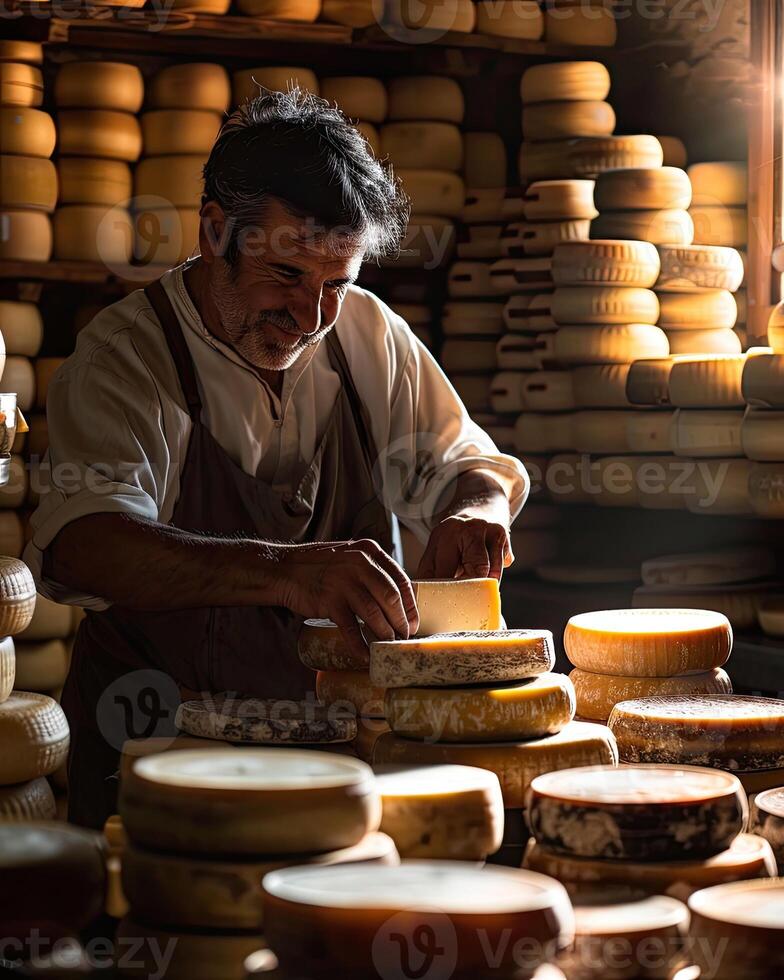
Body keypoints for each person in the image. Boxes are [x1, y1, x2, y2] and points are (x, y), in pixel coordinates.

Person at [24, 88, 528, 827]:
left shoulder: (363, 334)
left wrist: (476, 506)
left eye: (337, 284)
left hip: (339, 752)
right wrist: (285, 572)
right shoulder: (126, 357)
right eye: (287, 276)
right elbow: (85, 545)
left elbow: (462, 462)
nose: (311, 316)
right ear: (215, 230)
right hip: (163, 760)